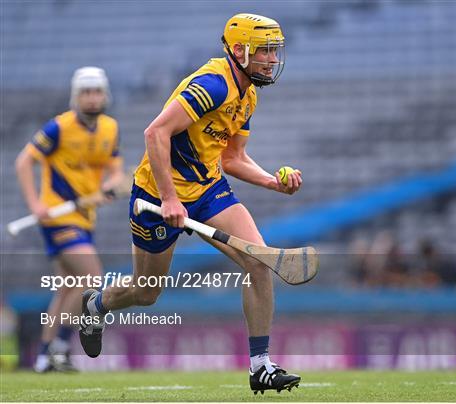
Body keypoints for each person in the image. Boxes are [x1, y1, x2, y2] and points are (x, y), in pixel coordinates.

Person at [79, 14, 303, 394]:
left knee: (258, 259)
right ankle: (96, 306)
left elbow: (232, 158)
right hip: (156, 193)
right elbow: (156, 132)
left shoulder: (247, 94)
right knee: (146, 292)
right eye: (264, 50)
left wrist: (270, 182)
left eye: (273, 51)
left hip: (207, 190)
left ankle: (260, 366)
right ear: (239, 51)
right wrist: (168, 197)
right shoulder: (213, 84)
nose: (271, 59)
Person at [15, 67, 124, 372]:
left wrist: (109, 185)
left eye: (97, 92)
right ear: (76, 96)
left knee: (67, 288)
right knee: (92, 280)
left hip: (85, 219)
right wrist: (35, 204)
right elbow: (23, 162)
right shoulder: (58, 128)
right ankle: (60, 346)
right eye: (86, 92)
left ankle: (45, 356)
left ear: (105, 94)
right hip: (57, 216)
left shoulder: (110, 129)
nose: (92, 98)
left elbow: (116, 171)